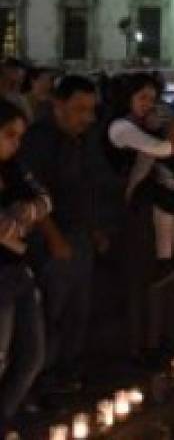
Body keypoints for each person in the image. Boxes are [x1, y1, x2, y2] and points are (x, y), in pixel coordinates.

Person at [107, 74, 174, 365]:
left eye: (151, 98)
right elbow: (161, 148)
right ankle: (141, 345)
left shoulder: (148, 124)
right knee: (141, 279)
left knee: (163, 276)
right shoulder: (121, 127)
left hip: (155, 206)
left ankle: (160, 338)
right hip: (135, 212)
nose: (148, 104)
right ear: (127, 98)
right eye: (141, 97)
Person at [20, 76, 102, 392]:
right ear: (58, 104)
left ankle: (68, 370)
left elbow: (85, 188)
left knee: (78, 310)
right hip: (51, 240)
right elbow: (32, 195)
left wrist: (94, 229)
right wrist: (54, 238)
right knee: (50, 312)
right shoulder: (40, 140)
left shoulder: (79, 138)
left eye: (91, 110)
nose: (87, 117)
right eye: (79, 109)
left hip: (78, 235)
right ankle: (40, 380)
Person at [0, 99, 52, 427]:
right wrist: (20, 226)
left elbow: (45, 199)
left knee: (32, 355)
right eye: (9, 135)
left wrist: (26, 215)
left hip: (20, 271)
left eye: (20, 136)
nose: (17, 143)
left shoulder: (14, 167)